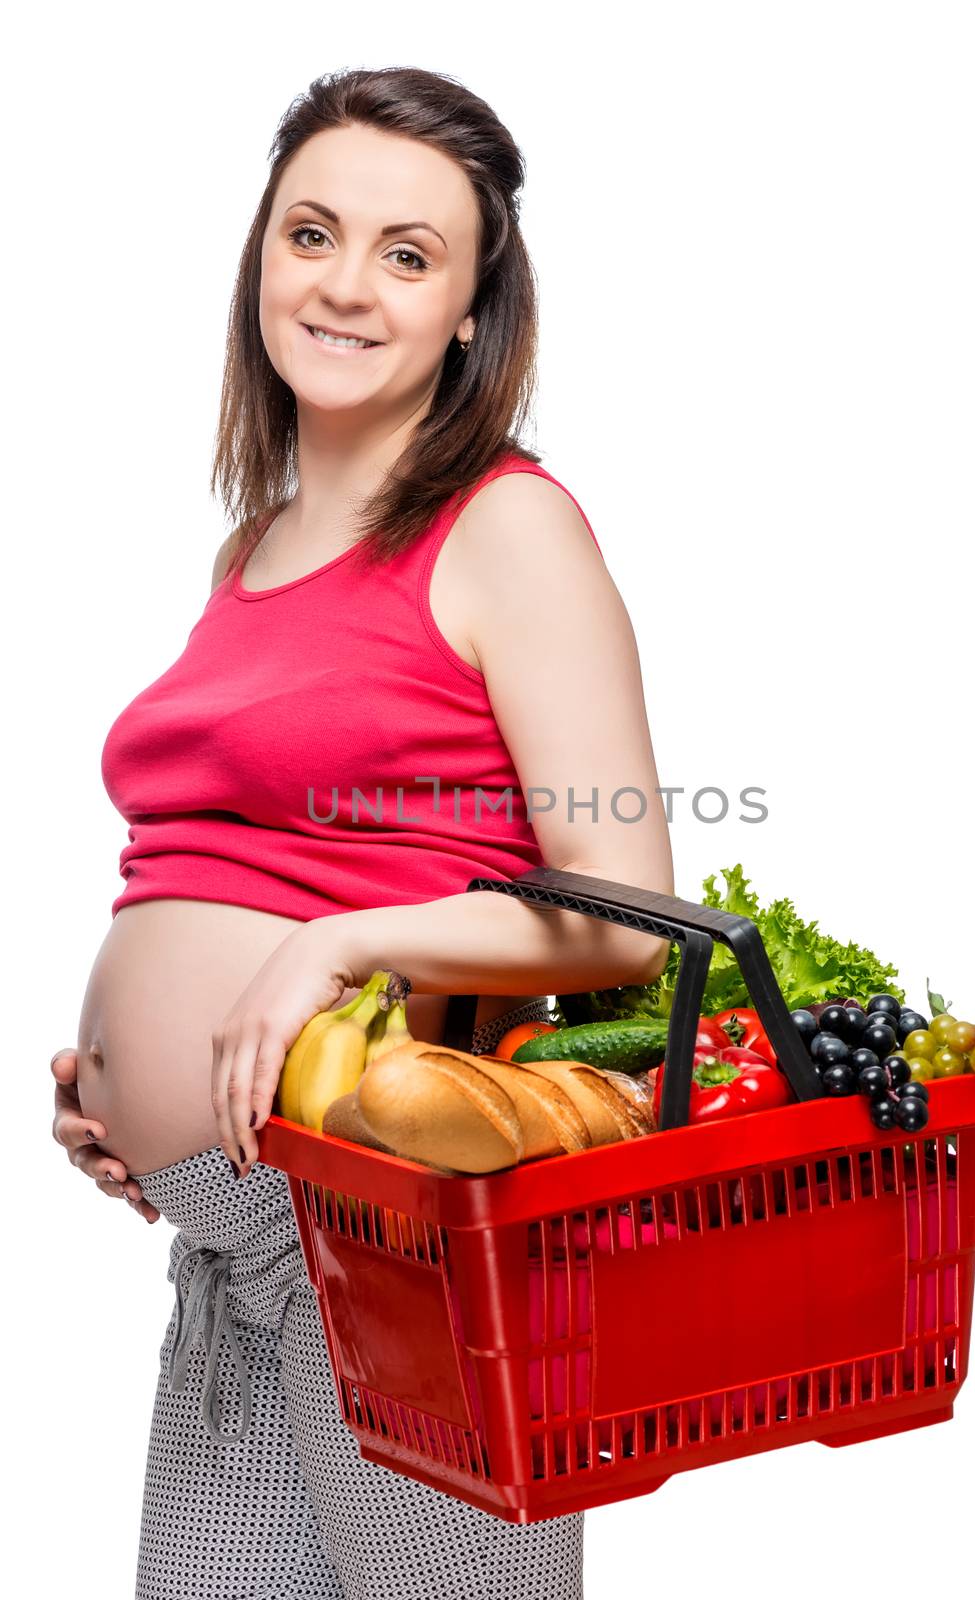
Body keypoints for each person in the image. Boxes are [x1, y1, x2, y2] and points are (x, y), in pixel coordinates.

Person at [51, 65, 673, 1600]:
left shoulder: (507, 528)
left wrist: (336, 945)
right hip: (235, 1247)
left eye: (408, 254)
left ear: (471, 309)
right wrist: (127, 1093)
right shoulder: (249, 549)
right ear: (261, 250)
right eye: (312, 232)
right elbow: (222, 864)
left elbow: (626, 911)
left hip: (398, 1245)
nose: (344, 284)